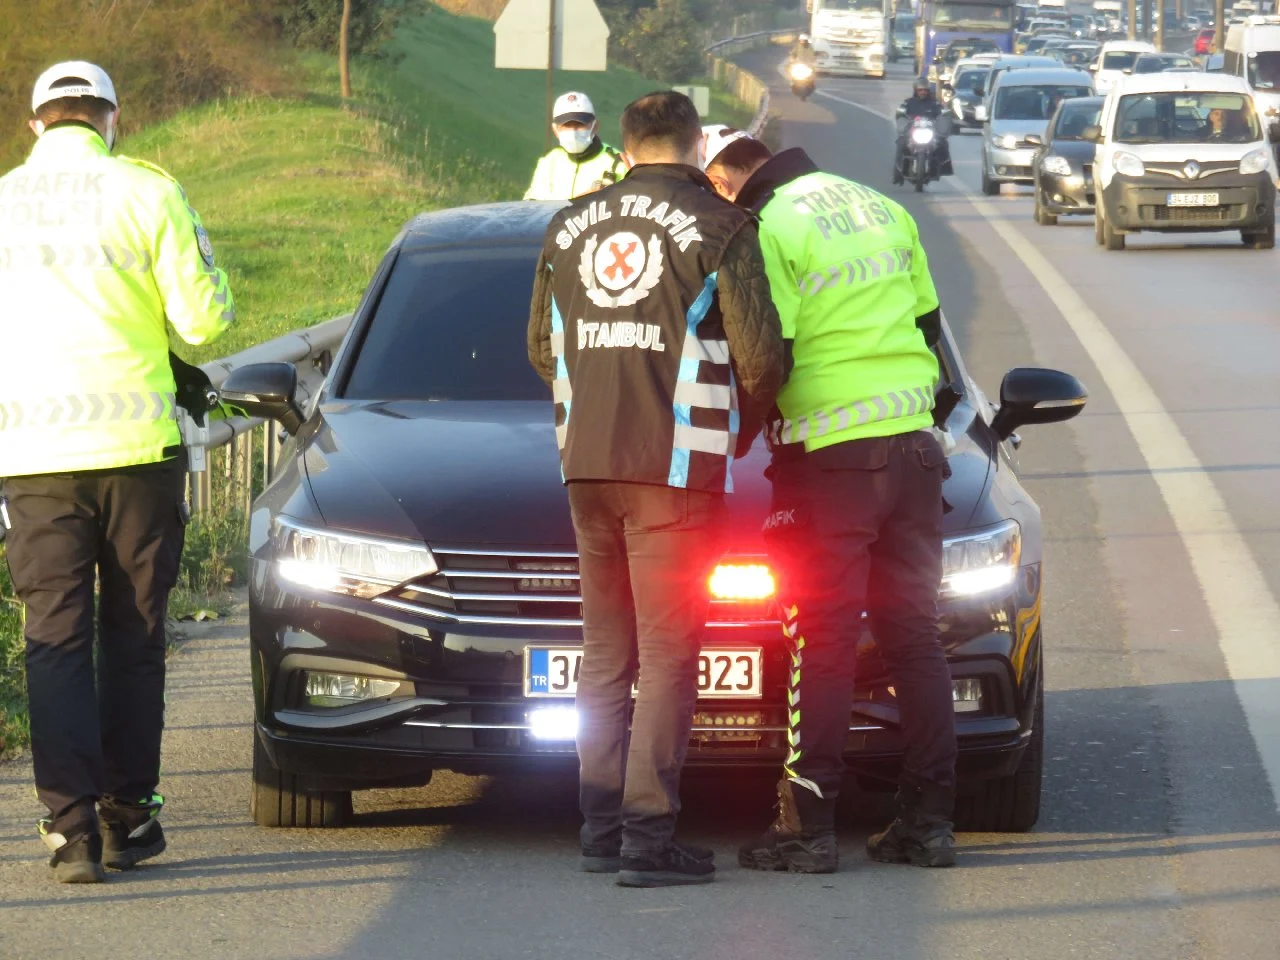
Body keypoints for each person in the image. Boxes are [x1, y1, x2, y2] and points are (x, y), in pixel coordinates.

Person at [527, 91, 786, 888]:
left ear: (627, 144)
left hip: (586, 464)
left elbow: (541, 345)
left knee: (605, 652)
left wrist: (591, 404)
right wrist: (737, 428)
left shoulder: (566, 226)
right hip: (672, 471)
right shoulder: (721, 227)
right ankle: (648, 837)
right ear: (696, 142)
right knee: (670, 655)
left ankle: (600, 826)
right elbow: (761, 355)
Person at [701, 130, 959, 873]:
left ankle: (806, 827)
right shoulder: (881, 207)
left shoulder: (765, 225)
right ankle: (929, 824)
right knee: (915, 639)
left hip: (831, 463)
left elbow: (764, 351)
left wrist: (741, 436)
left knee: (822, 641)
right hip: (913, 453)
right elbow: (928, 329)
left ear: (725, 183)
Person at [0, 62, 234, 883]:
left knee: (54, 641)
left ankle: (70, 833)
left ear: (35, 126)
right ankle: (130, 817)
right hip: (137, 453)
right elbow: (203, 319)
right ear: (112, 119)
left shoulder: (1, 202)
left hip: (32, 462)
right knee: (133, 638)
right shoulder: (148, 191)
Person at [524, 91, 628, 201]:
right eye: (567, 125)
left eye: (580, 124)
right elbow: (531, 206)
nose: (573, 131)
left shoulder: (618, 163)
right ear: (555, 130)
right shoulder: (549, 161)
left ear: (595, 126)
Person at [894, 78, 953, 184]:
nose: (923, 92)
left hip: (929, 131)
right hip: (912, 131)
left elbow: (942, 112)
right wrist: (901, 113)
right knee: (901, 143)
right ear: (916, 90)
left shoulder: (934, 103)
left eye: (925, 90)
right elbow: (901, 111)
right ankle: (898, 173)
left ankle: (943, 168)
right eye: (920, 90)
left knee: (943, 143)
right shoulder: (909, 102)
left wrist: (945, 114)